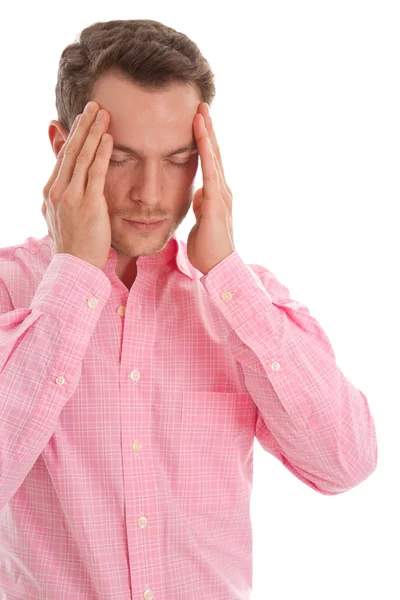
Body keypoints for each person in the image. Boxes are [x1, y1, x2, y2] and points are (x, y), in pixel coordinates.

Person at [0, 18, 377, 600]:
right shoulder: (9, 291)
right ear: (61, 150)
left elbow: (345, 463)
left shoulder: (238, 302)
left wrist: (227, 274)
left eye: (178, 160)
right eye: (121, 158)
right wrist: (72, 277)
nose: (151, 193)